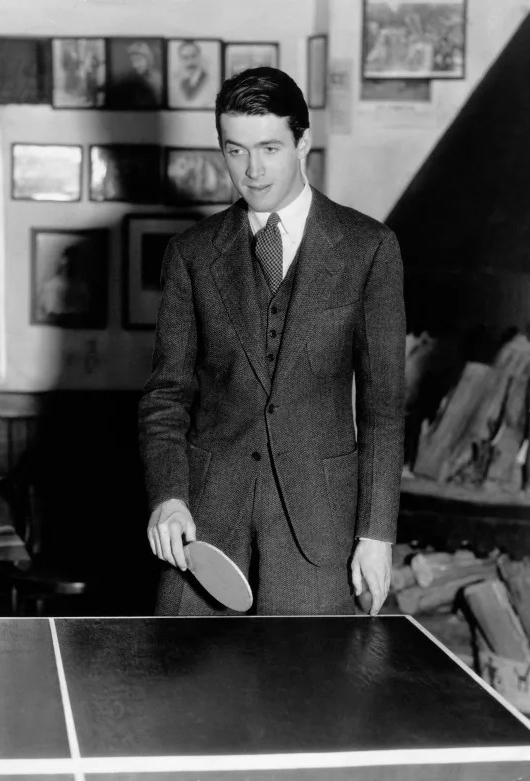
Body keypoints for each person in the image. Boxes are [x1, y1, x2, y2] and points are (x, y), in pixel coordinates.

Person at [139, 67, 405, 617]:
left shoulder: (369, 248)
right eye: (235, 150)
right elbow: (166, 397)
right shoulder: (191, 254)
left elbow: (383, 408)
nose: (252, 170)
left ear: (302, 142)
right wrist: (169, 496)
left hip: (319, 530)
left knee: (306, 693)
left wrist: (376, 533)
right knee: (184, 692)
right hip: (206, 529)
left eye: (269, 148)